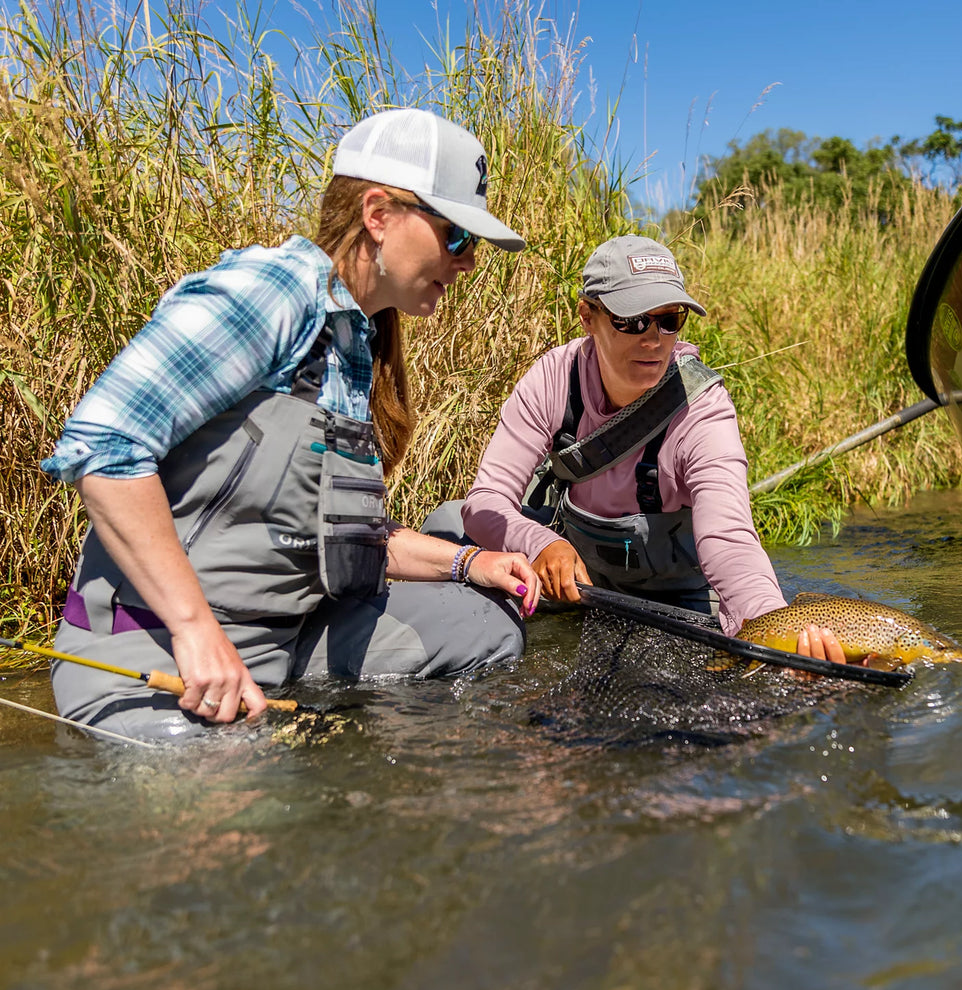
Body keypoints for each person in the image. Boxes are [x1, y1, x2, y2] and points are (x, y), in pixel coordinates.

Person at [41, 107, 541, 741]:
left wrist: (473, 564)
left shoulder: (357, 343)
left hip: (281, 642)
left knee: (487, 625)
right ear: (378, 214)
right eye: (457, 237)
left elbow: (352, 537)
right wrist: (194, 630)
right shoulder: (274, 291)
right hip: (159, 652)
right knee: (255, 823)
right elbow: (104, 449)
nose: (467, 263)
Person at [458, 234, 850, 664]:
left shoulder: (703, 408)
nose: (654, 339)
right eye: (632, 320)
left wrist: (775, 630)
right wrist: (540, 544)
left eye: (669, 319)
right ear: (588, 316)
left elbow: (729, 539)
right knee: (446, 525)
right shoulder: (552, 380)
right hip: (581, 581)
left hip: (681, 595)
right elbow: (485, 502)